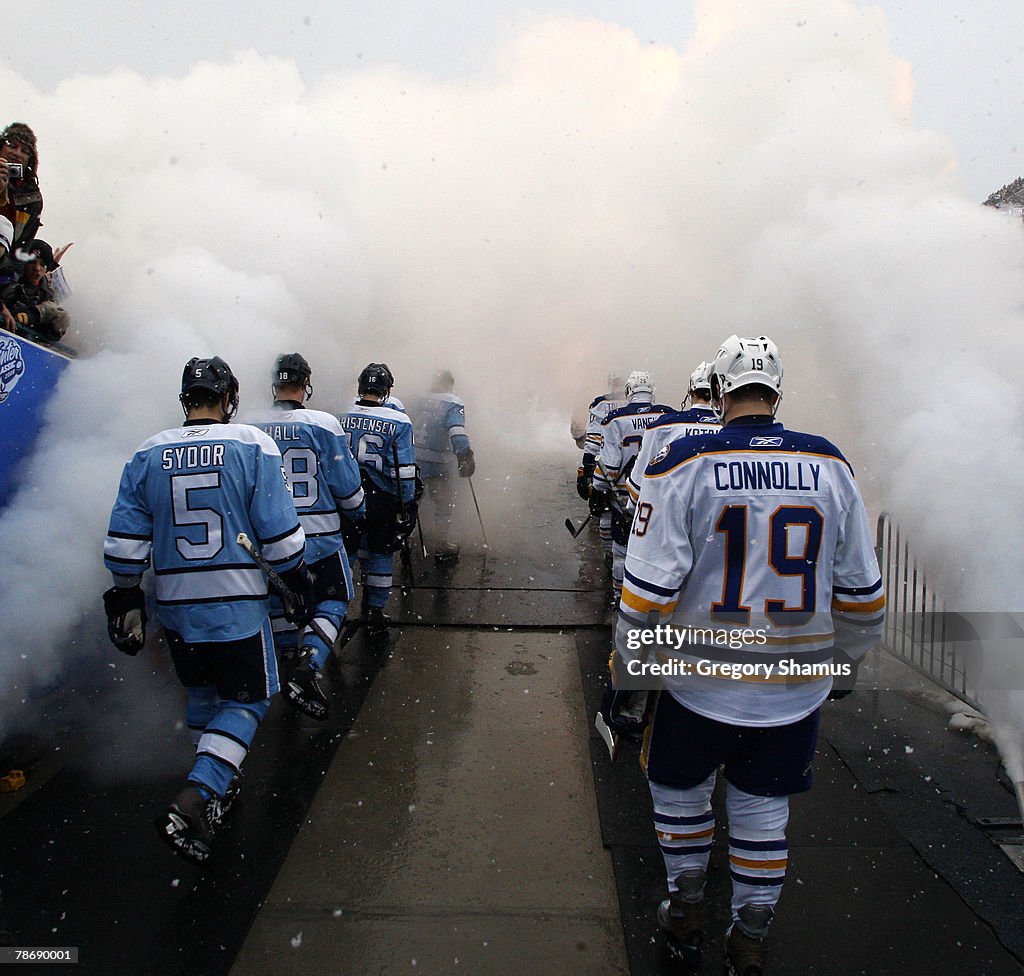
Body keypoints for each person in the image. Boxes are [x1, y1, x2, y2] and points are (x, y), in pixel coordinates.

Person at [611, 335, 884, 974]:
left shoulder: (686, 460)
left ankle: (684, 911)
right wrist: (837, 666)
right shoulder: (831, 464)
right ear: (778, 388)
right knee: (764, 812)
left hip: (699, 679)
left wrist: (634, 665)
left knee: (680, 792)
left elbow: (645, 597)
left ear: (721, 388)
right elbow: (865, 603)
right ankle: (751, 934)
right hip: (793, 686)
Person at [103, 356, 314, 865]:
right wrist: (299, 581)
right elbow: (282, 541)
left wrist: (127, 594)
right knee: (249, 699)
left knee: (202, 692)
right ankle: (198, 795)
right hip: (236, 602)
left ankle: (218, 782)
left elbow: (124, 544)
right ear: (228, 396)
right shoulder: (250, 444)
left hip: (176, 604)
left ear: (185, 398)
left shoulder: (146, 452)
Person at [249, 353, 365, 720]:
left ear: (273, 383)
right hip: (320, 536)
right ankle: (309, 662)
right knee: (334, 600)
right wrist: (357, 514)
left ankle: (284, 663)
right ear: (306, 383)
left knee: (281, 601)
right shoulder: (323, 424)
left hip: (269, 539)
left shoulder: (249, 427)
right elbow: (346, 487)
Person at [338, 363, 417, 641]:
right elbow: (403, 472)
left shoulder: (339, 414)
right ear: (386, 390)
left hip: (346, 495)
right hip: (380, 498)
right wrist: (407, 504)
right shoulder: (398, 421)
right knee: (381, 554)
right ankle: (374, 610)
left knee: (346, 553)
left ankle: (336, 611)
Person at [589, 370, 673, 607]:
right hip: (657, 497)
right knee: (655, 553)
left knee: (620, 550)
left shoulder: (616, 419)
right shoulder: (669, 416)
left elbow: (611, 464)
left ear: (629, 391)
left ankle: (620, 602)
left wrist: (598, 488)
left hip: (624, 496)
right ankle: (650, 601)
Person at [624, 361, 720, 511]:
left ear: (691, 392)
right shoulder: (735, 431)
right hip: (719, 523)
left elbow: (638, 489)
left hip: (673, 518)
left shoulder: (663, 426)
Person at [410, 369, 475, 564]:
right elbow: (456, 431)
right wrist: (464, 455)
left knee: (412, 504)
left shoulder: (417, 398)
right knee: (444, 503)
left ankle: (407, 542)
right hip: (440, 462)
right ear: (450, 384)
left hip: (415, 460)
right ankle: (441, 545)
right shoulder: (452, 402)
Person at [577, 373, 626, 560]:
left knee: (606, 511)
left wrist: (587, 470)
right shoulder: (643, 409)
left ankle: (611, 557)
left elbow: (593, 441)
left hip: (608, 468)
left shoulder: (601, 404)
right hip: (635, 472)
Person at [1, 239, 70, 341]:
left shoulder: (46, 292)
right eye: (32, 262)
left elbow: (58, 324)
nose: (37, 268)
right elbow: (11, 299)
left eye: (42, 264)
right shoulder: (10, 276)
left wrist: (35, 315)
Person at [0, 123, 43, 247]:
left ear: (30, 159)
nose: (17, 153)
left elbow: (21, 251)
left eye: (24, 151)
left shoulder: (32, 197)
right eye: (12, 146)